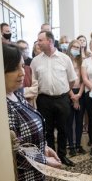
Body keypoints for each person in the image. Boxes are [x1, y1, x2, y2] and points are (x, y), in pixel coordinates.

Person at [2, 44, 62, 181]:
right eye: (15, 69)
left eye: (22, 67)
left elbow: (27, 131)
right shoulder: (1, 106)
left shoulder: (15, 94)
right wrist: (44, 160)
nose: (22, 74)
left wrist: (43, 146)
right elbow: (13, 151)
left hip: (32, 177)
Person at [31, 30, 77, 167]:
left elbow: (72, 80)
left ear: (49, 41)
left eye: (40, 40)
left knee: (63, 129)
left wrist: (63, 90)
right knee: (48, 130)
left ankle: (62, 156)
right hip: (44, 100)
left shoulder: (65, 58)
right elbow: (34, 81)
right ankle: (52, 157)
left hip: (62, 99)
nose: (38, 43)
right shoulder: (35, 61)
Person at [66, 40, 86, 156]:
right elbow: (64, 80)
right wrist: (73, 96)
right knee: (69, 121)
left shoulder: (81, 62)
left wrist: (78, 95)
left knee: (79, 121)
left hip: (80, 93)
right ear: (70, 47)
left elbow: (83, 80)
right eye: (73, 46)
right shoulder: (65, 61)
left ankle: (78, 145)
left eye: (78, 47)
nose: (75, 49)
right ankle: (71, 147)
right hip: (69, 93)